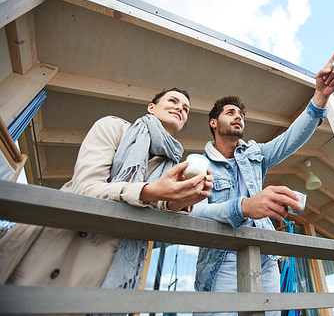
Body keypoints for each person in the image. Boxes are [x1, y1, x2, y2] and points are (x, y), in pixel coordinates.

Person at [0, 88, 213, 290]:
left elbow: (155, 214)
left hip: (105, 267)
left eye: (185, 109)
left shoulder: (172, 164)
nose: (180, 109)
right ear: (151, 107)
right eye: (173, 101)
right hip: (57, 244)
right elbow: (86, 188)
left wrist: (178, 202)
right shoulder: (113, 128)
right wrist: (149, 191)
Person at [190, 48, 334, 316]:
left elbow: (290, 139)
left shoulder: (255, 155)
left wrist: (319, 98)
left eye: (241, 114)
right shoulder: (198, 163)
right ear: (214, 122)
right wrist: (243, 207)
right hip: (221, 261)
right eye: (230, 112)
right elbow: (193, 211)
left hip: (266, 260)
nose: (238, 116)